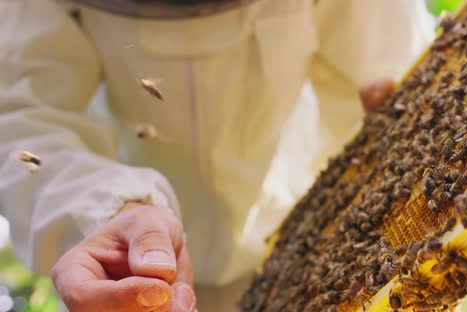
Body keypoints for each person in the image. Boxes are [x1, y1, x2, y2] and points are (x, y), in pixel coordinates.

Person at [0, 0, 433, 311]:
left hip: (307, 248)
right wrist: (110, 208)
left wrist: (397, 116)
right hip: (126, 269)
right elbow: (21, 119)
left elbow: (394, 67)